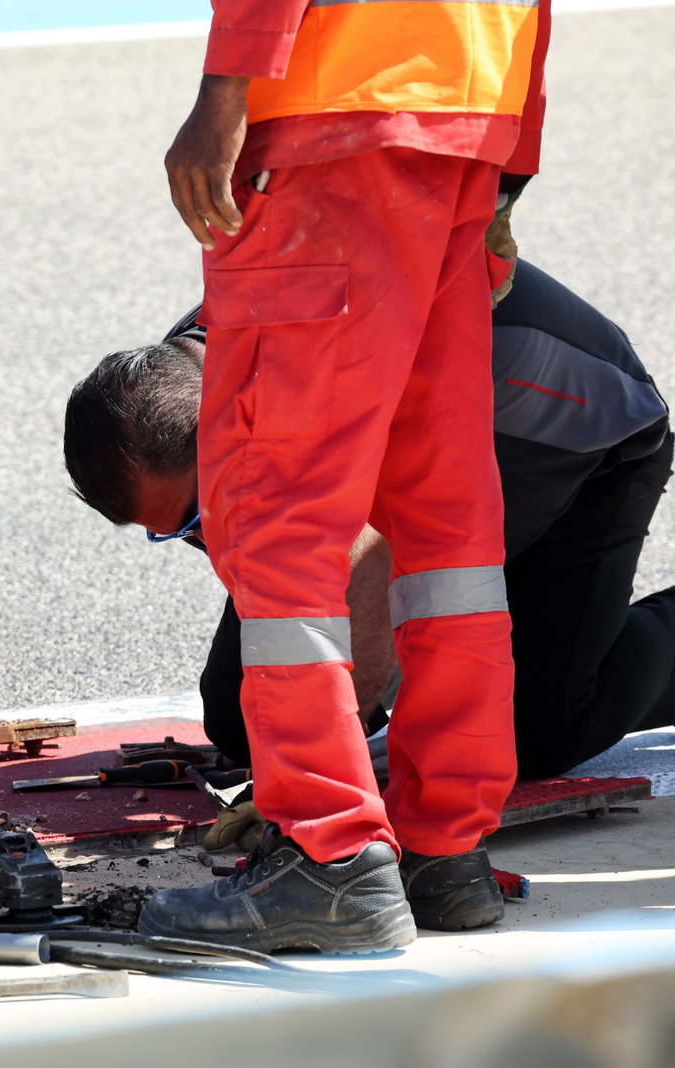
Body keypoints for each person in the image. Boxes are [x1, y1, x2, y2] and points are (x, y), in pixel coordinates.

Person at [146, 0, 544, 951]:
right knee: (443, 520)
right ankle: (443, 851)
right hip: (466, 117)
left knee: (277, 507)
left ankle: (329, 855)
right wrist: (510, 167)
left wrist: (224, 92)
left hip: (334, 121)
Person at [67, 255, 674, 800]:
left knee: (535, 729)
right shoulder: (196, 379)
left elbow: (373, 560)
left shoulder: (339, 377)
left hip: (577, 434)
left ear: (232, 439)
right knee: (244, 723)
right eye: (176, 533)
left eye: (198, 520)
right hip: (433, 428)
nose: (207, 546)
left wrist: (327, 786)